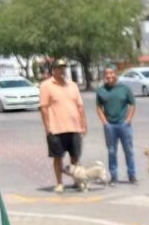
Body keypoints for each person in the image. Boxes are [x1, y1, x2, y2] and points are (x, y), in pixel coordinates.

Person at [39, 58, 86, 193]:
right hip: (56, 129)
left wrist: (83, 124)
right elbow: (44, 108)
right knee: (58, 157)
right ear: (53, 70)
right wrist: (48, 127)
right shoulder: (46, 86)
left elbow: (80, 106)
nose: (62, 71)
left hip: (74, 128)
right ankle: (59, 183)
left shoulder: (73, 85)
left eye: (64, 68)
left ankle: (77, 181)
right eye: (59, 68)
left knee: (75, 156)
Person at [95, 65, 137, 185]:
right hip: (110, 126)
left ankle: (132, 176)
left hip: (124, 125)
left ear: (115, 74)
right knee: (112, 151)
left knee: (128, 151)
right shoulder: (101, 91)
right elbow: (98, 107)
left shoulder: (124, 89)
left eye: (111, 73)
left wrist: (128, 119)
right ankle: (114, 177)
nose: (109, 76)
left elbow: (132, 104)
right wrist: (105, 122)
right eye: (106, 74)